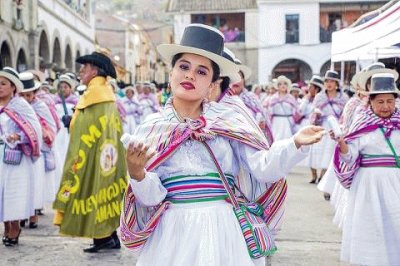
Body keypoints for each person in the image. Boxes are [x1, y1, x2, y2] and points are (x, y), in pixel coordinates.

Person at [120, 24, 325, 266]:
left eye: (202, 71)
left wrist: (294, 144)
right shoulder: (152, 127)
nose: (189, 75)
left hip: (224, 230)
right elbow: (153, 197)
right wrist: (138, 173)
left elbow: (262, 167)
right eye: (183, 67)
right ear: (171, 72)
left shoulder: (228, 120)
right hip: (173, 235)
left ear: (213, 83)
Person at [53, 52, 128, 252]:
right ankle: (109, 237)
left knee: (96, 190)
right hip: (105, 154)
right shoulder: (101, 91)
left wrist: (73, 122)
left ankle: (103, 239)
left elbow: (87, 126)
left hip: (96, 155)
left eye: (84, 68)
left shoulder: (96, 94)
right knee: (103, 192)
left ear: (94, 71)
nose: (80, 71)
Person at [333, 73, 400, 265]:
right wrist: (342, 143)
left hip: (396, 182)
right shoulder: (362, 122)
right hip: (368, 185)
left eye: (389, 101)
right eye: (380, 102)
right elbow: (350, 156)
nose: (386, 106)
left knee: (396, 225)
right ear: (370, 102)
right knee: (371, 227)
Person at [0, 67, 42, 246]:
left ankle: (14, 225)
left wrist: (18, 137)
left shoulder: (20, 105)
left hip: (15, 156)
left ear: (13, 87)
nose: (0, 87)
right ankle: (5, 224)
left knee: (12, 192)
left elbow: (34, 129)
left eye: (3, 84)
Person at [309, 70, 348, 187]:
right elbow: (313, 112)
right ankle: (315, 175)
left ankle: (324, 175)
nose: (329, 83)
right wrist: (316, 116)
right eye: (327, 81)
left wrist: (340, 126)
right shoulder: (319, 97)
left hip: (335, 126)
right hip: (322, 125)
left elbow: (345, 114)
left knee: (330, 150)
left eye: (332, 81)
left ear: (336, 83)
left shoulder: (343, 97)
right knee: (318, 149)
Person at [267, 75, 300, 141]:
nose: (283, 85)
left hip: (288, 122)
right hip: (277, 123)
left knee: (288, 140)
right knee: (276, 140)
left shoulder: (291, 98)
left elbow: (295, 112)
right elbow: (270, 112)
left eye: (285, 83)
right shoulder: (273, 98)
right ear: (277, 86)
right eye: (280, 84)